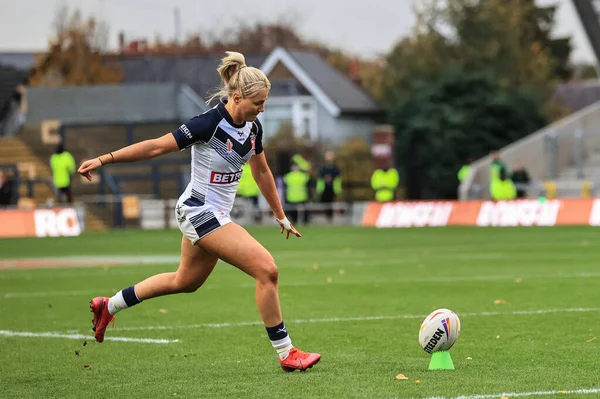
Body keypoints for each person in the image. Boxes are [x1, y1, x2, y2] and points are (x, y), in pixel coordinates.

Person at [77, 51, 321, 372]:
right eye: (257, 103)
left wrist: (279, 214)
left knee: (185, 281)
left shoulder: (253, 128)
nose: (262, 109)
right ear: (237, 97)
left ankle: (109, 305)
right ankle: (286, 352)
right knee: (267, 270)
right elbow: (154, 146)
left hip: (214, 215)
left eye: (264, 103)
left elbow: (261, 172)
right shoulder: (207, 124)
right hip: (199, 210)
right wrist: (105, 159)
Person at [316, 151, 342, 222]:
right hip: (324, 189)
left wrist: (338, 189)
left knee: (332, 203)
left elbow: (337, 179)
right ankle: (327, 216)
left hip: (333, 189)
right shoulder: (322, 168)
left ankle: (330, 217)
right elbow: (320, 179)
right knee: (325, 203)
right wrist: (319, 189)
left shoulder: (335, 168)